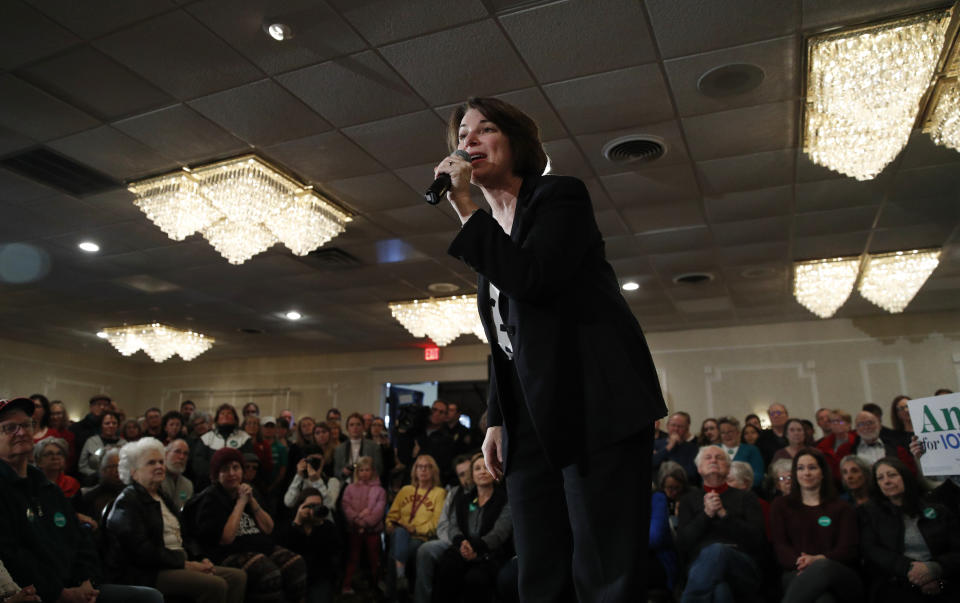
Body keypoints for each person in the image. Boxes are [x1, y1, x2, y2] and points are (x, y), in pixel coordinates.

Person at [440, 96, 666, 601]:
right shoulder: (493, 236)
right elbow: (504, 342)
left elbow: (534, 280)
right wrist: (496, 417)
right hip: (530, 418)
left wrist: (462, 206)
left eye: (483, 130)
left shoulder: (559, 197)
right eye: (461, 136)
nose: (467, 142)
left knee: (604, 570)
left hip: (595, 406)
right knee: (539, 568)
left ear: (516, 142)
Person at [0, 396, 164, 603]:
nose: (21, 432)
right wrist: (60, 593)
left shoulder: (48, 488)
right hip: (39, 594)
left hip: (79, 587)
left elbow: (80, 539)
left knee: (148, 597)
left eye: (25, 425)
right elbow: (13, 556)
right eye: (9, 428)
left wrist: (87, 580)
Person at [105, 437, 246, 603]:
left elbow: (184, 536)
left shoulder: (162, 497)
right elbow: (143, 551)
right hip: (147, 571)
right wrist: (184, 564)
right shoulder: (127, 501)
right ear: (133, 472)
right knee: (216, 585)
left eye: (160, 461)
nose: (159, 466)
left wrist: (200, 558)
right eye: (151, 463)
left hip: (176, 562)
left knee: (237, 577)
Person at [192, 447, 307, 602]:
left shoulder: (247, 491)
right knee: (268, 572)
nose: (232, 473)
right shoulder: (211, 498)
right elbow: (226, 539)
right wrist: (241, 504)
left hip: (259, 547)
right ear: (216, 475)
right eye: (225, 469)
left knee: (295, 563)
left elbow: (268, 528)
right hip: (229, 553)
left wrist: (251, 500)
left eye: (236, 468)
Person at [859, 457, 960, 602]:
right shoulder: (870, 513)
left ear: (905, 476)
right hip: (897, 581)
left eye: (892, 475)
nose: (886, 481)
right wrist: (911, 570)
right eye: (880, 478)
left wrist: (935, 568)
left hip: (942, 577)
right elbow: (872, 550)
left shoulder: (938, 509)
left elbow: (957, 550)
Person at [769, 448, 862, 603]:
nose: (806, 473)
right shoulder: (781, 505)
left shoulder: (842, 507)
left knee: (822, 566)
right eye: (800, 468)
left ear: (823, 472)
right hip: (796, 571)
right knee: (824, 600)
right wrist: (802, 563)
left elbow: (848, 550)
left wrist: (817, 560)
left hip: (839, 574)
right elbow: (780, 546)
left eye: (812, 468)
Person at [675, 446, 765, 603]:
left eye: (719, 457)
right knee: (720, 590)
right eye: (708, 457)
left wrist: (724, 515)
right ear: (699, 468)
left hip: (741, 565)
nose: (714, 460)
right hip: (700, 566)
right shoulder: (688, 499)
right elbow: (683, 543)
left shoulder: (746, 497)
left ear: (729, 468)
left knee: (717, 550)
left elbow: (757, 540)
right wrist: (707, 514)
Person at [432, 453, 513, 603]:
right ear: (472, 475)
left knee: (475, 579)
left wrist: (475, 547)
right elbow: (453, 525)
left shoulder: (504, 499)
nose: (482, 471)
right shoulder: (464, 498)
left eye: (486, 467)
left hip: (489, 553)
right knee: (447, 567)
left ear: (494, 470)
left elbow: (500, 532)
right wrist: (462, 542)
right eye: (477, 468)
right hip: (462, 549)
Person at [414, 454, 475, 603]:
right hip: (450, 541)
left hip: (474, 543)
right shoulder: (454, 493)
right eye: (461, 475)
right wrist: (456, 543)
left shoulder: (484, 491)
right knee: (425, 550)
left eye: (468, 473)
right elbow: (443, 524)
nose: (466, 478)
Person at [385, 454, 446, 589]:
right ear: (415, 470)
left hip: (420, 538)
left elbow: (436, 523)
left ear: (433, 470)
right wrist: (389, 525)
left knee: (394, 551)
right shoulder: (405, 490)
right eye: (419, 467)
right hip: (400, 532)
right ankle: (400, 581)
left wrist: (415, 529)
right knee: (399, 534)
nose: (423, 470)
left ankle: (394, 591)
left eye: (427, 467)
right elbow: (391, 515)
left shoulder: (439, 493)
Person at [284, 488, 341, 603]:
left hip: (319, 577)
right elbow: (286, 550)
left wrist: (319, 524)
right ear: (301, 507)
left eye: (318, 505)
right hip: (294, 577)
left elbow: (332, 553)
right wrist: (297, 523)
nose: (315, 509)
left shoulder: (328, 527)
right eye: (310, 506)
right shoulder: (291, 525)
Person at [340, 456, 386, 594]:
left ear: (373, 471)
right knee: (353, 557)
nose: (364, 473)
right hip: (354, 530)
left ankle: (376, 584)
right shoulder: (350, 488)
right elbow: (346, 506)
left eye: (367, 470)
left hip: (373, 530)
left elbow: (379, 510)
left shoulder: (379, 490)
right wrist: (356, 520)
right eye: (361, 470)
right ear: (357, 472)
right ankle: (346, 585)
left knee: (374, 558)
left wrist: (365, 523)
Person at [191, 404, 254, 492]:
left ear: (235, 419)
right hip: (209, 486)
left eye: (229, 413)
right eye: (222, 413)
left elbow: (247, 462)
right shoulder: (206, 438)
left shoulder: (244, 438)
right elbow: (198, 463)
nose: (225, 416)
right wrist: (217, 476)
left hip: (237, 486)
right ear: (217, 419)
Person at [78, 447, 125, 523]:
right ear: (102, 470)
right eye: (113, 467)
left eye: (121, 466)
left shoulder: (133, 495)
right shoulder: (88, 497)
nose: (118, 471)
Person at [653, 412, 700, 487]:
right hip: (660, 488)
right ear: (667, 426)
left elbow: (692, 473)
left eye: (680, 426)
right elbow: (652, 463)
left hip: (685, 487)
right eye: (673, 425)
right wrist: (669, 447)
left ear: (687, 428)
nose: (676, 429)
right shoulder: (655, 444)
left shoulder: (693, 448)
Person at [334, 412, 383, 484]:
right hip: (346, 484)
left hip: (368, 485)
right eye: (351, 425)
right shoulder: (339, 448)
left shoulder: (373, 446)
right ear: (347, 428)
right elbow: (336, 471)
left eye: (358, 424)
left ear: (363, 427)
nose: (355, 427)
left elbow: (379, 469)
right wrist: (343, 471)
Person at [717, 416, 764, 489]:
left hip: (746, 491)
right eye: (723, 432)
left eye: (730, 432)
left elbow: (758, 475)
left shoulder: (752, 450)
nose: (726, 435)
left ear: (738, 432)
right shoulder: (714, 449)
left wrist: (739, 486)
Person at [79, 409, 125, 481]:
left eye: (114, 423)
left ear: (118, 426)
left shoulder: (124, 444)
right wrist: (99, 474)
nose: (111, 426)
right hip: (93, 481)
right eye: (107, 423)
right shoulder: (91, 441)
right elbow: (82, 466)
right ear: (101, 425)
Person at [69, 394, 112, 463]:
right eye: (98, 404)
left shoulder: (111, 429)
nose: (102, 407)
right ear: (91, 407)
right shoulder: (76, 428)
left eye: (106, 405)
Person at [162, 438, 194, 510]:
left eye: (185, 454)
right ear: (166, 454)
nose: (181, 457)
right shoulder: (156, 479)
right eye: (177, 452)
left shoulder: (188, 485)